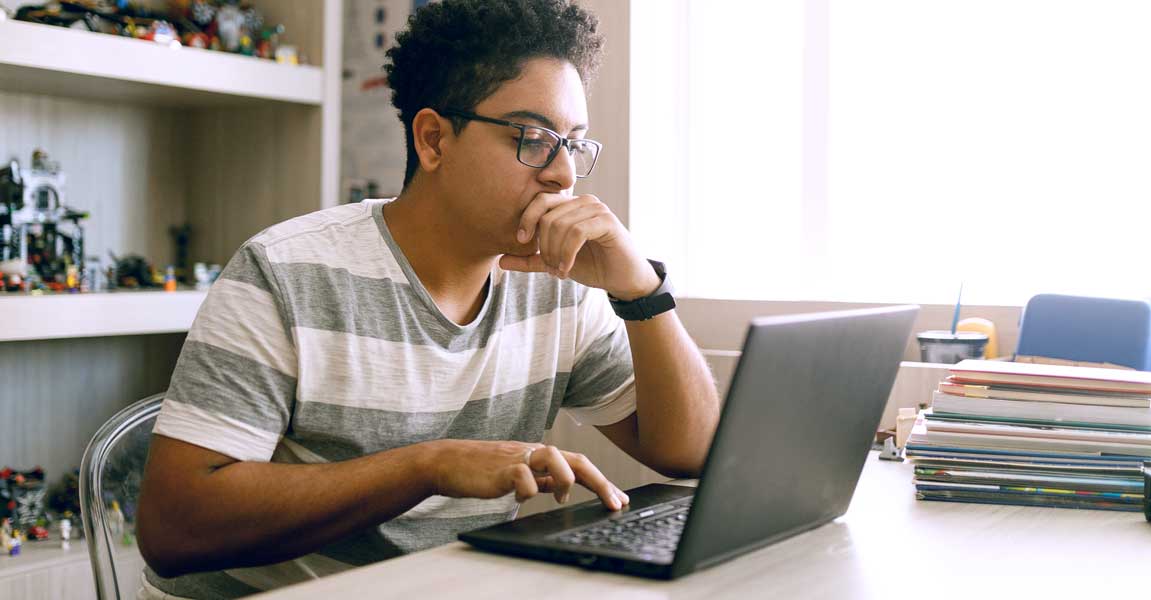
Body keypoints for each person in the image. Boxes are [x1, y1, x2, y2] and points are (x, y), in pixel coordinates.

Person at [135, 0, 720, 597]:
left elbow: (690, 452)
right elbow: (174, 528)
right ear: (434, 139)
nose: (563, 175)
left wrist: (641, 291)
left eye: (572, 143)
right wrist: (428, 466)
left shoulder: (558, 287)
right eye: (533, 138)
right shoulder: (285, 272)